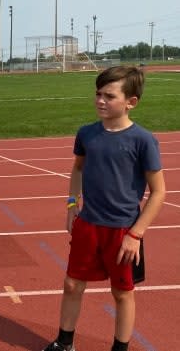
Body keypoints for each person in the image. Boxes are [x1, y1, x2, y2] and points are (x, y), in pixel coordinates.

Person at [43, 66, 166, 351]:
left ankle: (120, 348)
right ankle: (64, 344)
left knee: (122, 293)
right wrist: (72, 203)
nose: (100, 100)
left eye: (109, 96)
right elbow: (77, 169)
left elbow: (159, 192)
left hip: (123, 230)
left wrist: (136, 234)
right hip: (88, 225)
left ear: (130, 102)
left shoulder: (143, 140)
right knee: (72, 285)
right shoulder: (86, 134)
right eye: (98, 93)